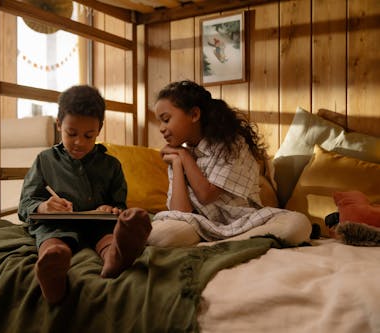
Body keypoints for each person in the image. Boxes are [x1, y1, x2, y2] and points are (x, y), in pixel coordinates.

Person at [18, 85, 151, 305]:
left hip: (97, 224)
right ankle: (53, 269)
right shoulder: (45, 160)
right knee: (52, 237)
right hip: (57, 225)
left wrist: (111, 209)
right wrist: (44, 207)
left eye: (88, 136)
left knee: (108, 232)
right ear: (59, 124)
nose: (79, 142)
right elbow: (25, 204)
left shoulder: (111, 165)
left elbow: (118, 203)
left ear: (99, 129)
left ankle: (114, 258)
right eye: (71, 134)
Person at [147, 80, 311, 247]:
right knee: (162, 235)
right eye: (160, 122)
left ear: (194, 115)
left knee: (298, 224)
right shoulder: (176, 155)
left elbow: (206, 195)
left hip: (244, 224)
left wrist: (184, 156)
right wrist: (176, 162)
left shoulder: (231, 145)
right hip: (199, 226)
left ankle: (222, 244)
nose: (161, 128)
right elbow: (180, 213)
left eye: (166, 120)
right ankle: (232, 243)